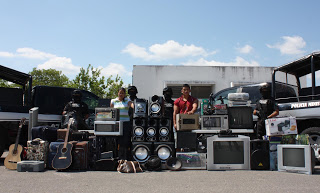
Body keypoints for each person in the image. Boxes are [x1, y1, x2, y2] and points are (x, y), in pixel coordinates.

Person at [110, 87, 133, 160]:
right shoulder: (113, 101)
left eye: (123, 93)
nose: (121, 94)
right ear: (118, 93)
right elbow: (110, 111)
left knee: (125, 140)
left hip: (125, 123)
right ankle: (117, 156)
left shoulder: (127, 100)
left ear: (124, 94)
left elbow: (132, 105)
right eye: (120, 93)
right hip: (117, 123)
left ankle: (125, 157)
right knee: (116, 140)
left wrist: (135, 106)